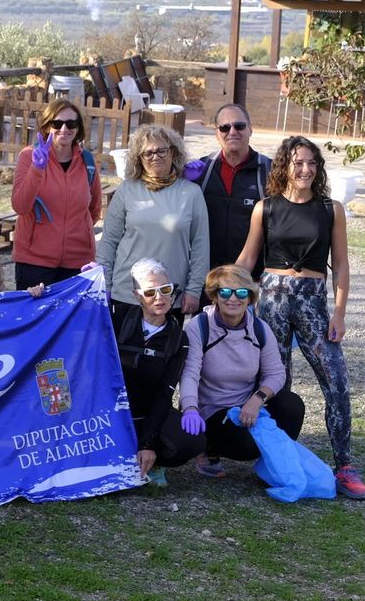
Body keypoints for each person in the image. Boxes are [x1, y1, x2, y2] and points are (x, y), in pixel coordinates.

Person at [235, 136, 365, 500]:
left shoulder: (331, 209)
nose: (305, 169)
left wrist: (339, 313)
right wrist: (225, 291)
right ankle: (279, 461)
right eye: (298, 163)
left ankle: (344, 466)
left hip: (313, 303)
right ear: (285, 166)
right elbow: (247, 260)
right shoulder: (265, 208)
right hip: (272, 302)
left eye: (312, 163)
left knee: (337, 383)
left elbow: (341, 266)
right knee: (276, 386)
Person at [178, 265, 305, 474]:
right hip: (213, 411)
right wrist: (190, 408)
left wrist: (257, 399)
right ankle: (208, 448)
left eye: (242, 292)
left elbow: (276, 373)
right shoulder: (199, 327)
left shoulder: (260, 329)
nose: (233, 299)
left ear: (250, 298)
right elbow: (190, 373)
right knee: (248, 447)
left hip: (249, 405)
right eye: (225, 292)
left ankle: (276, 463)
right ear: (215, 296)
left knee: (292, 405)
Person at [96, 124, 209, 323]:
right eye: (147, 153)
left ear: (173, 152)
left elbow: (201, 246)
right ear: (138, 159)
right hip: (128, 293)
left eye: (161, 150)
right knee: (124, 354)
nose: (155, 156)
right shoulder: (126, 190)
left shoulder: (191, 193)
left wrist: (193, 289)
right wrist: (103, 285)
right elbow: (109, 242)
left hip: (168, 295)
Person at [115, 258, 204, 488]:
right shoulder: (118, 319)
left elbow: (165, 393)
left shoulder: (178, 338)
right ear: (137, 296)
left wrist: (148, 443)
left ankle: (151, 461)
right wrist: (40, 292)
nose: (159, 297)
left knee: (191, 441)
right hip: (111, 414)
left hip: (146, 414)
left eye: (165, 290)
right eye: (150, 292)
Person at [11, 98, 103, 289]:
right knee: (35, 318)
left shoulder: (87, 161)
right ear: (47, 126)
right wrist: (37, 169)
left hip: (77, 261)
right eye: (57, 123)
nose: (64, 129)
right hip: (34, 261)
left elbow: (94, 210)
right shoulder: (29, 156)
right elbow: (20, 206)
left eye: (71, 123)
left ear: (78, 128)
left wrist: (76, 230)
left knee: (72, 319)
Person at [185, 104, 273, 273]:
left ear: (250, 129)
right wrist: (181, 181)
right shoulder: (202, 171)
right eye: (224, 127)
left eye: (239, 126)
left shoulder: (269, 171)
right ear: (216, 133)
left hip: (251, 280)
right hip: (207, 277)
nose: (232, 132)